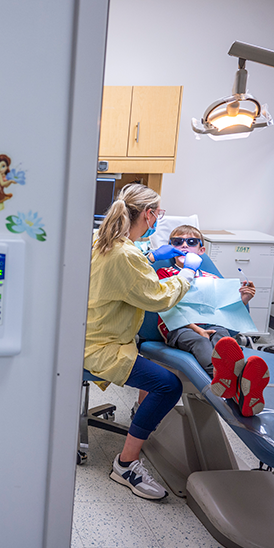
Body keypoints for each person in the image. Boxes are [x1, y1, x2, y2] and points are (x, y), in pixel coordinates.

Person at [84, 183, 200, 500]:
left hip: (89, 332)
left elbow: (124, 263)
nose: (158, 219)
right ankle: (126, 464)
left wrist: (150, 255)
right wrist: (187, 274)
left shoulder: (102, 239)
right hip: (101, 345)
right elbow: (160, 298)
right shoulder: (127, 256)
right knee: (168, 384)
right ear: (149, 215)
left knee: (154, 357)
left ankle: (142, 416)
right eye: (158, 214)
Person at [155, 225, 269, 416]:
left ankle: (235, 384)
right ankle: (234, 383)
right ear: (170, 248)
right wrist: (198, 330)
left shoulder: (212, 278)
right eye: (177, 242)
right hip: (179, 327)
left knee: (223, 338)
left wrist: (244, 299)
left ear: (201, 250)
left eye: (191, 242)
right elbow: (169, 308)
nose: (184, 246)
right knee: (199, 341)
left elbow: (224, 310)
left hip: (211, 324)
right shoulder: (165, 274)